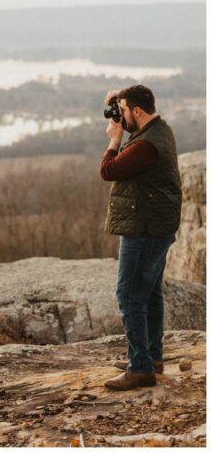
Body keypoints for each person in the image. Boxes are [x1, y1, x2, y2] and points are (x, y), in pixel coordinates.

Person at [99, 84, 181, 391]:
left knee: (129, 295)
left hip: (144, 228)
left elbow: (108, 170)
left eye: (122, 112)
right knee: (150, 294)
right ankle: (151, 358)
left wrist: (114, 140)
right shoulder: (160, 130)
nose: (119, 117)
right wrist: (116, 100)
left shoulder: (145, 145)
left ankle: (140, 368)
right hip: (156, 226)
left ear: (137, 111)